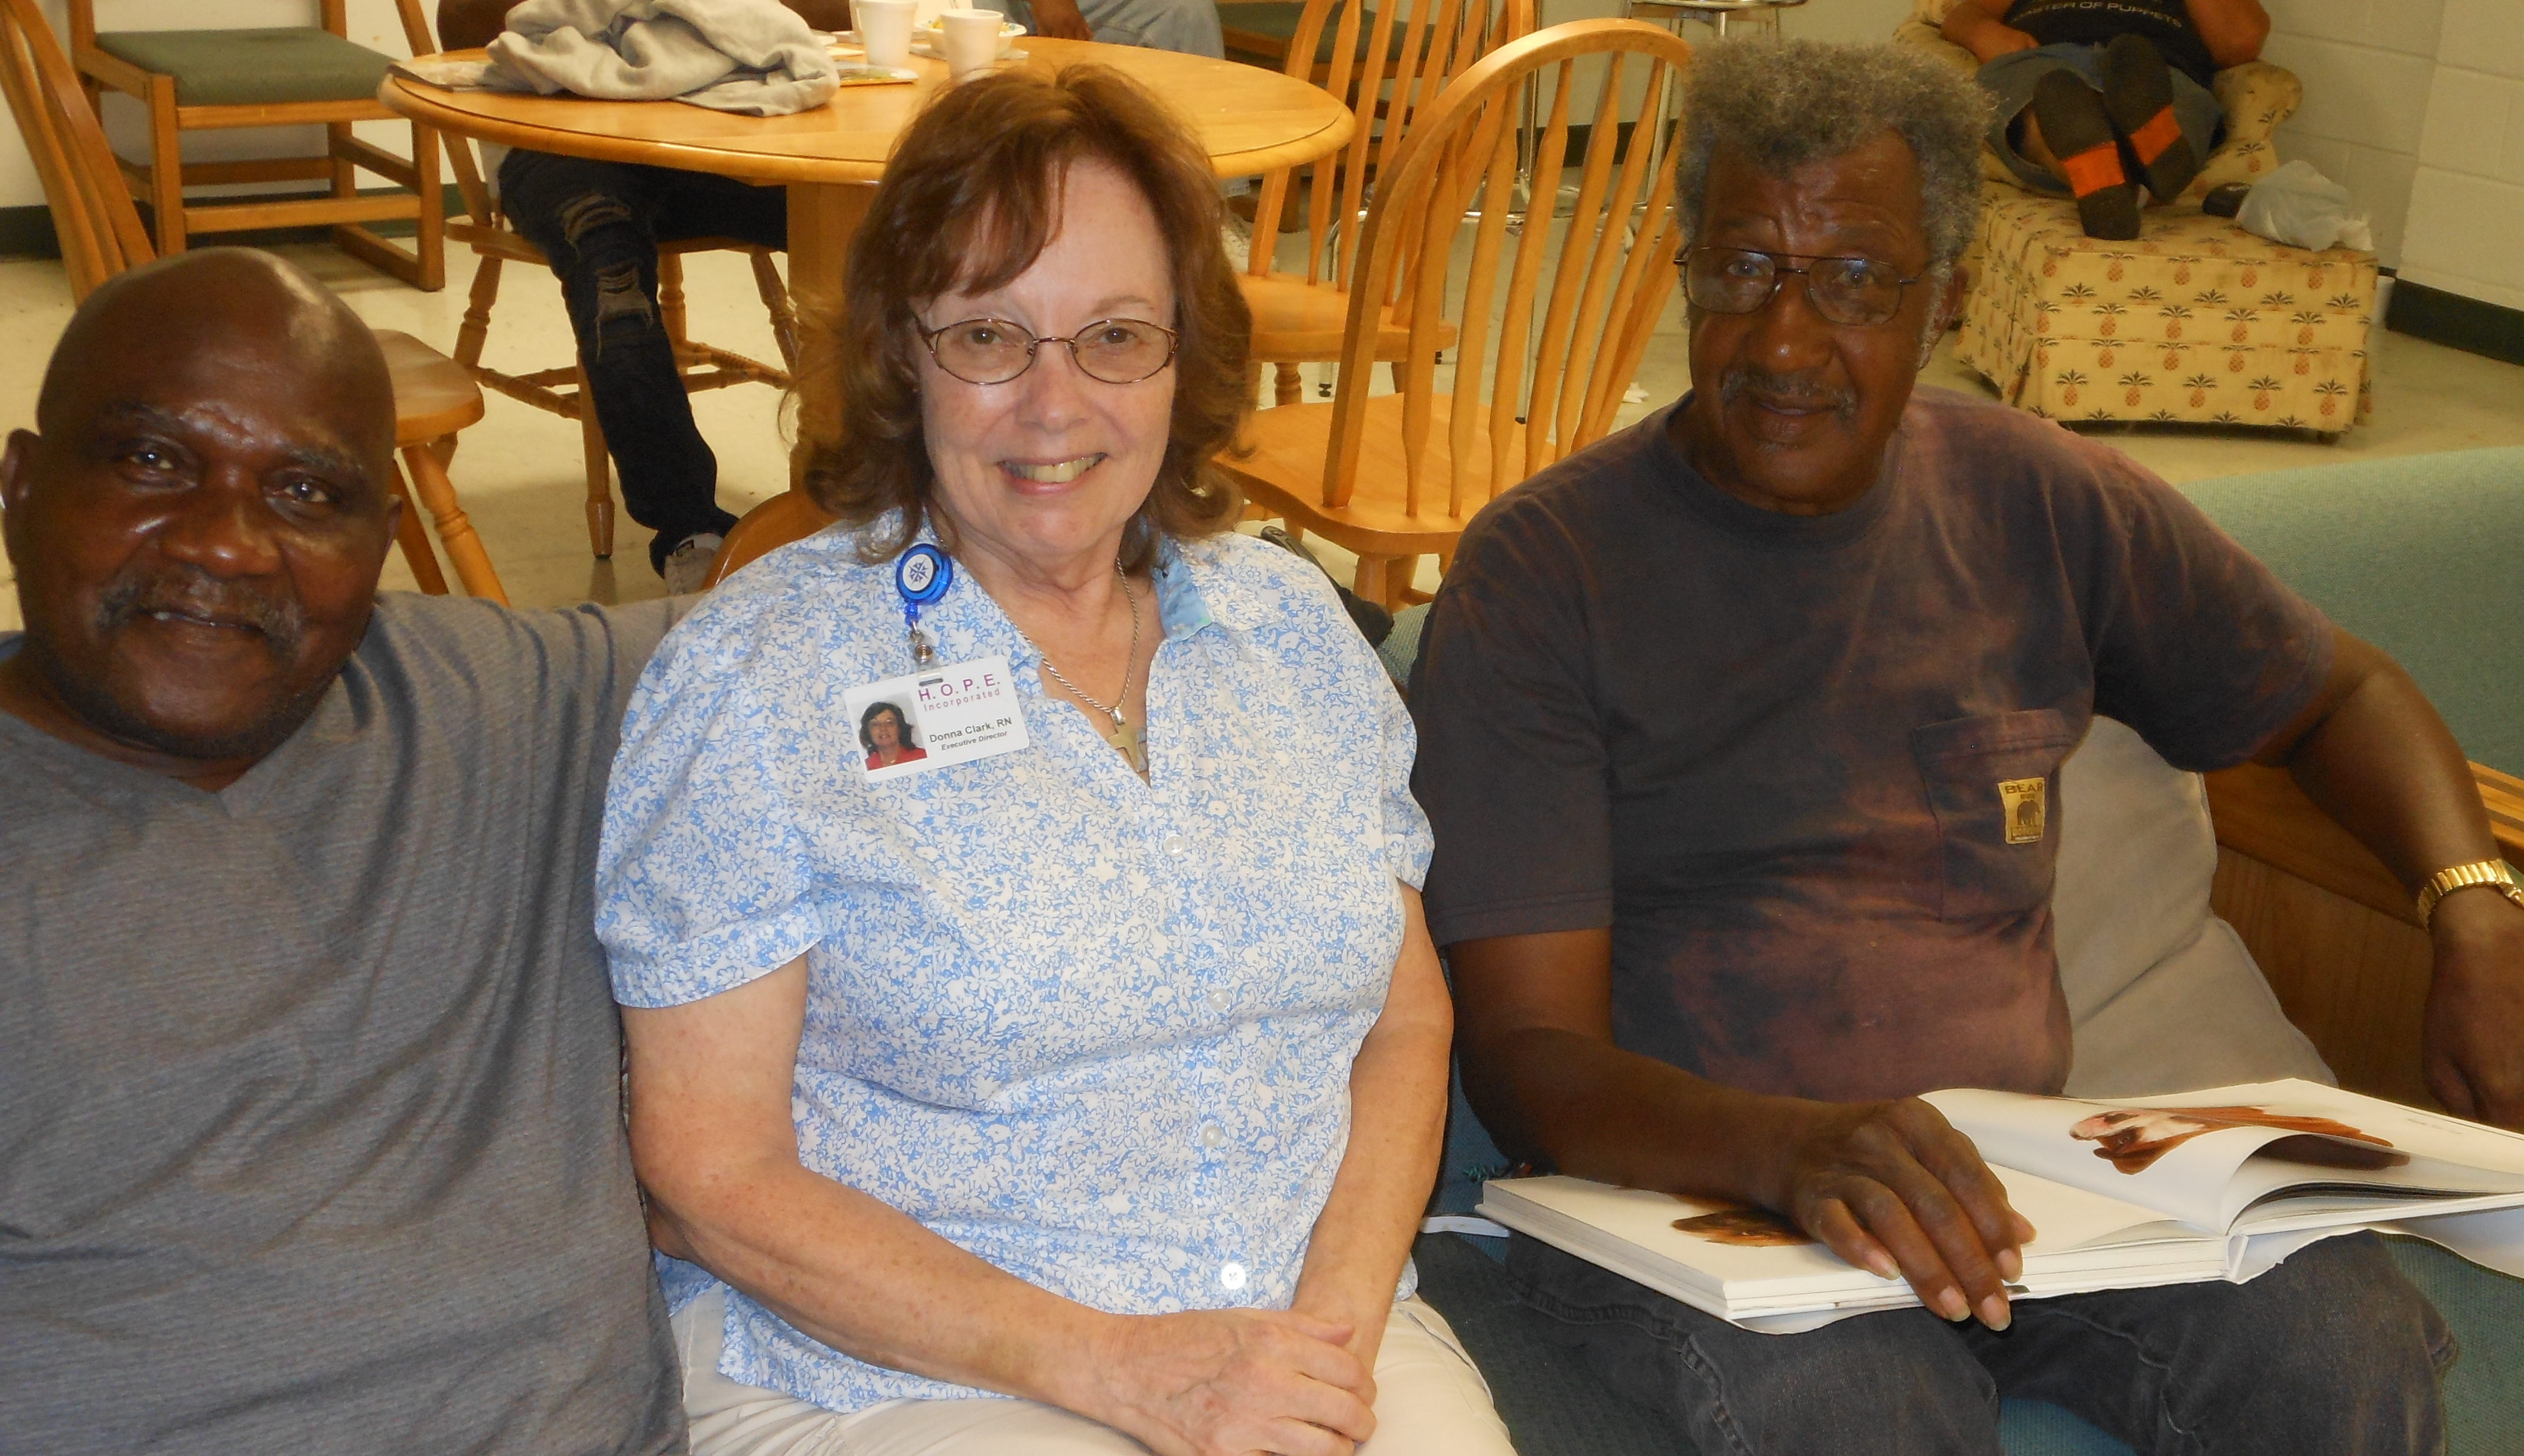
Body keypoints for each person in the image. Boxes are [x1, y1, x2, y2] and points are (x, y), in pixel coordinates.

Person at [1409, 39, 2515, 1456]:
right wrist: (1794, 1150)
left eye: (1857, 282)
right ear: (1684, 272)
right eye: (1744, 268)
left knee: (2334, 1339)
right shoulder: (1545, 574)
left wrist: (2472, 912)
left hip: (2008, 1180)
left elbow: (2337, 693)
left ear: (1940, 299)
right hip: (1674, 1203)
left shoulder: (2033, 500)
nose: (1787, 339)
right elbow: (1527, 1058)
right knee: (1865, 1408)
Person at [595, 67, 1512, 1456]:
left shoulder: (1290, 631)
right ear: (901, 356)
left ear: (1180, 353)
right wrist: (1128, 1374)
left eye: (1114, 336)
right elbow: (706, 1177)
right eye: (987, 336)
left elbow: (1403, 1025)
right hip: (905, 1371)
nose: (1052, 402)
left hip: (1302, 1327)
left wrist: (1322, 1339)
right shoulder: (757, 680)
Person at [0, 250, 684, 1451]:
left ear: (382, 541)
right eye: (153, 460)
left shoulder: (491, 697)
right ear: (20, 484)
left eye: (308, 492)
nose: (224, 542)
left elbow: (848, 605)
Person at [434, 0, 1224, 593]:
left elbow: (813, 20)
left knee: (892, 237)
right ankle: (689, 531)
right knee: (611, 276)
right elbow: (470, 21)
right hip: (561, 139)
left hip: (711, 128)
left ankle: (920, 507)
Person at [1941, 0, 2269, 239]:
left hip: (2155, 68)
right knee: (2046, 97)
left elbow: (2239, 40)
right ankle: (2139, 166)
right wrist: (1984, 33)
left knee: (2157, 94)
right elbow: (1963, 15)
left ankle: (2105, 176)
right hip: (2045, 55)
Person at [861, 699, 927, 767]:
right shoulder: (866, 767)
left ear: (900, 728)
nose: (883, 729)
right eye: (876, 725)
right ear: (868, 732)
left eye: (890, 723)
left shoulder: (922, 757)